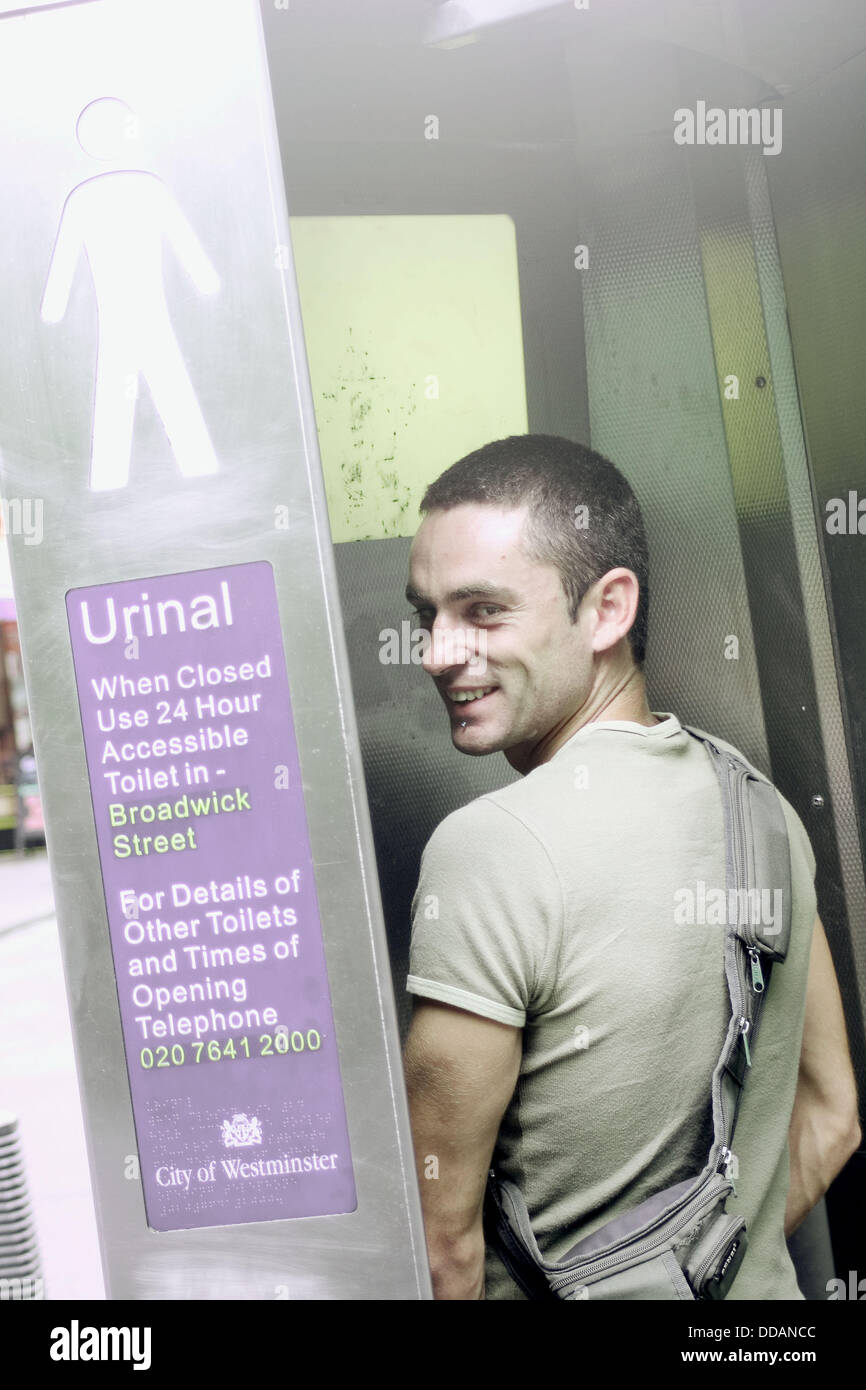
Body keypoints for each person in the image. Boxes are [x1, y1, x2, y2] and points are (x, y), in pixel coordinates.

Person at [401, 434, 860, 1301]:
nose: (436, 652)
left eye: (483, 612)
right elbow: (832, 1120)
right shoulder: (758, 806)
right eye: (428, 616)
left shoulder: (489, 846)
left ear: (608, 609)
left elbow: (440, 1253)